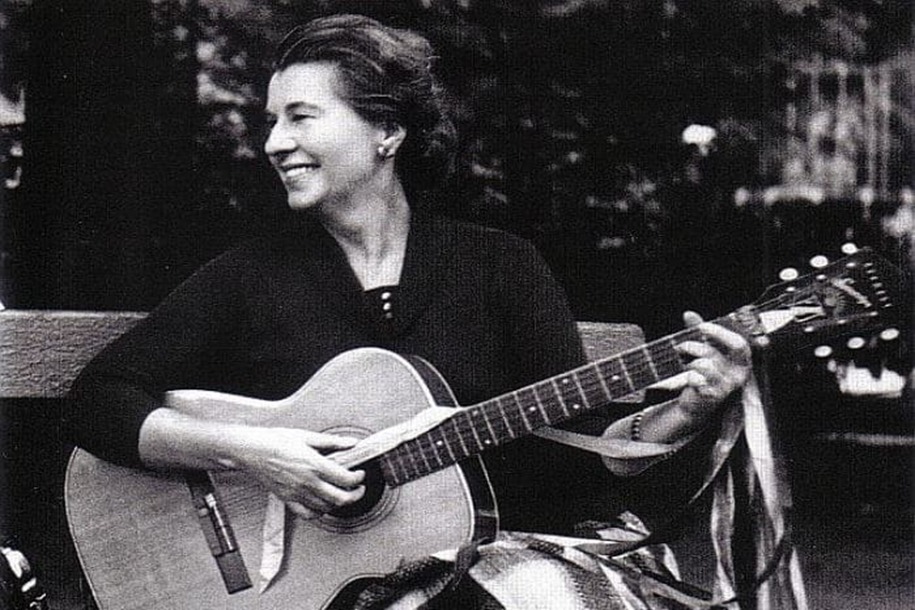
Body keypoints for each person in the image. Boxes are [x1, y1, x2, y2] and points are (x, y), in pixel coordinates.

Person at [65, 14, 760, 609]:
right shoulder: (252, 276)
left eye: (300, 117)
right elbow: (97, 400)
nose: (274, 142)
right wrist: (253, 452)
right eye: (272, 121)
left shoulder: (500, 266)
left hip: (498, 570)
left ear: (387, 132)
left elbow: (583, 460)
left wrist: (685, 411)